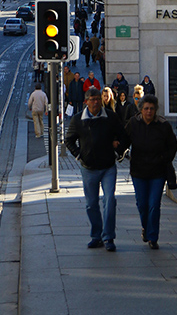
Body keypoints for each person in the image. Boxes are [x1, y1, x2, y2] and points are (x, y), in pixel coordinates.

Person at [64, 87, 129, 252]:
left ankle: (109, 237)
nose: (95, 102)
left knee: (109, 201)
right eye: (92, 100)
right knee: (91, 204)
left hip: (108, 166)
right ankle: (96, 235)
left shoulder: (110, 117)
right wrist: (79, 155)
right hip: (89, 168)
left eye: (98, 99)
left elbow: (123, 135)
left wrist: (118, 149)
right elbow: (69, 140)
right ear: (86, 102)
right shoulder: (79, 119)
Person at [125, 94, 177, 249]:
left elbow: (172, 145)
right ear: (141, 109)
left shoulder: (163, 125)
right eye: (146, 108)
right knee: (142, 204)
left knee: (154, 204)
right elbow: (124, 140)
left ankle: (153, 237)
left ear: (156, 110)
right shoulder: (133, 123)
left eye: (152, 109)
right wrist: (117, 147)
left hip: (158, 172)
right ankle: (146, 228)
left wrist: (165, 158)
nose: (149, 112)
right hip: (138, 171)